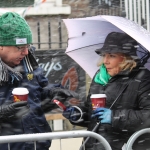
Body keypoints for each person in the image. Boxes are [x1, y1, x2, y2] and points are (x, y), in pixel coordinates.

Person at [0, 12, 78, 150]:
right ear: (1, 46)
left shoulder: (29, 64)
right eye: (20, 48)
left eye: (28, 46)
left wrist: (53, 93)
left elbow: (39, 94)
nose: (25, 52)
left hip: (37, 144)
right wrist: (2, 113)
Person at [62, 32, 150, 150]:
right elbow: (94, 113)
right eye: (104, 55)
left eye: (112, 56)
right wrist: (79, 114)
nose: (105, 61)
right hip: (92, 146)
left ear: (126, 57)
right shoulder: (100, 76)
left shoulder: (143, 78)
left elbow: (148, 117)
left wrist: (114, 117)